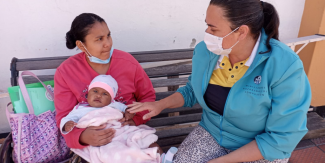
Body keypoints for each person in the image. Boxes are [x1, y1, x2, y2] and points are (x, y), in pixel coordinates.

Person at [128, 1, 312, 163]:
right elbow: (193, 90)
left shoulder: (284, 65)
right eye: (207, 26)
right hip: (213, 133)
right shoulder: (207, 52)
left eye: (213, 28)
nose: (207, 32)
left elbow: (282, 137)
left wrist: (222, 161)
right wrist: (160, 105)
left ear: (241, 32)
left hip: (261, 145)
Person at [54, 13, 156, 149]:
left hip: (130, 133)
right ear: (81, 45)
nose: (107, 43)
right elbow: (64, 117)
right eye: (99, 39)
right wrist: (83, 137)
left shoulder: (127, 63)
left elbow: (147, 98)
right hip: (96, 144)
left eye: (108, 35)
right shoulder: (66, 72)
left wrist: (135, 119)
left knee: (154, 151)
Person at [60, 75, 134, 134]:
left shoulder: (114, 104)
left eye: (105, 94)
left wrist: (128, 113)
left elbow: (128, 109)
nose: (98, 95)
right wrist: (66, 125)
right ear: (88, 94)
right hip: (94, 136)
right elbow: (67, 119)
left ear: (111, 99)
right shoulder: (80, 108)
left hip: (116, 131)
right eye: (95, 91)